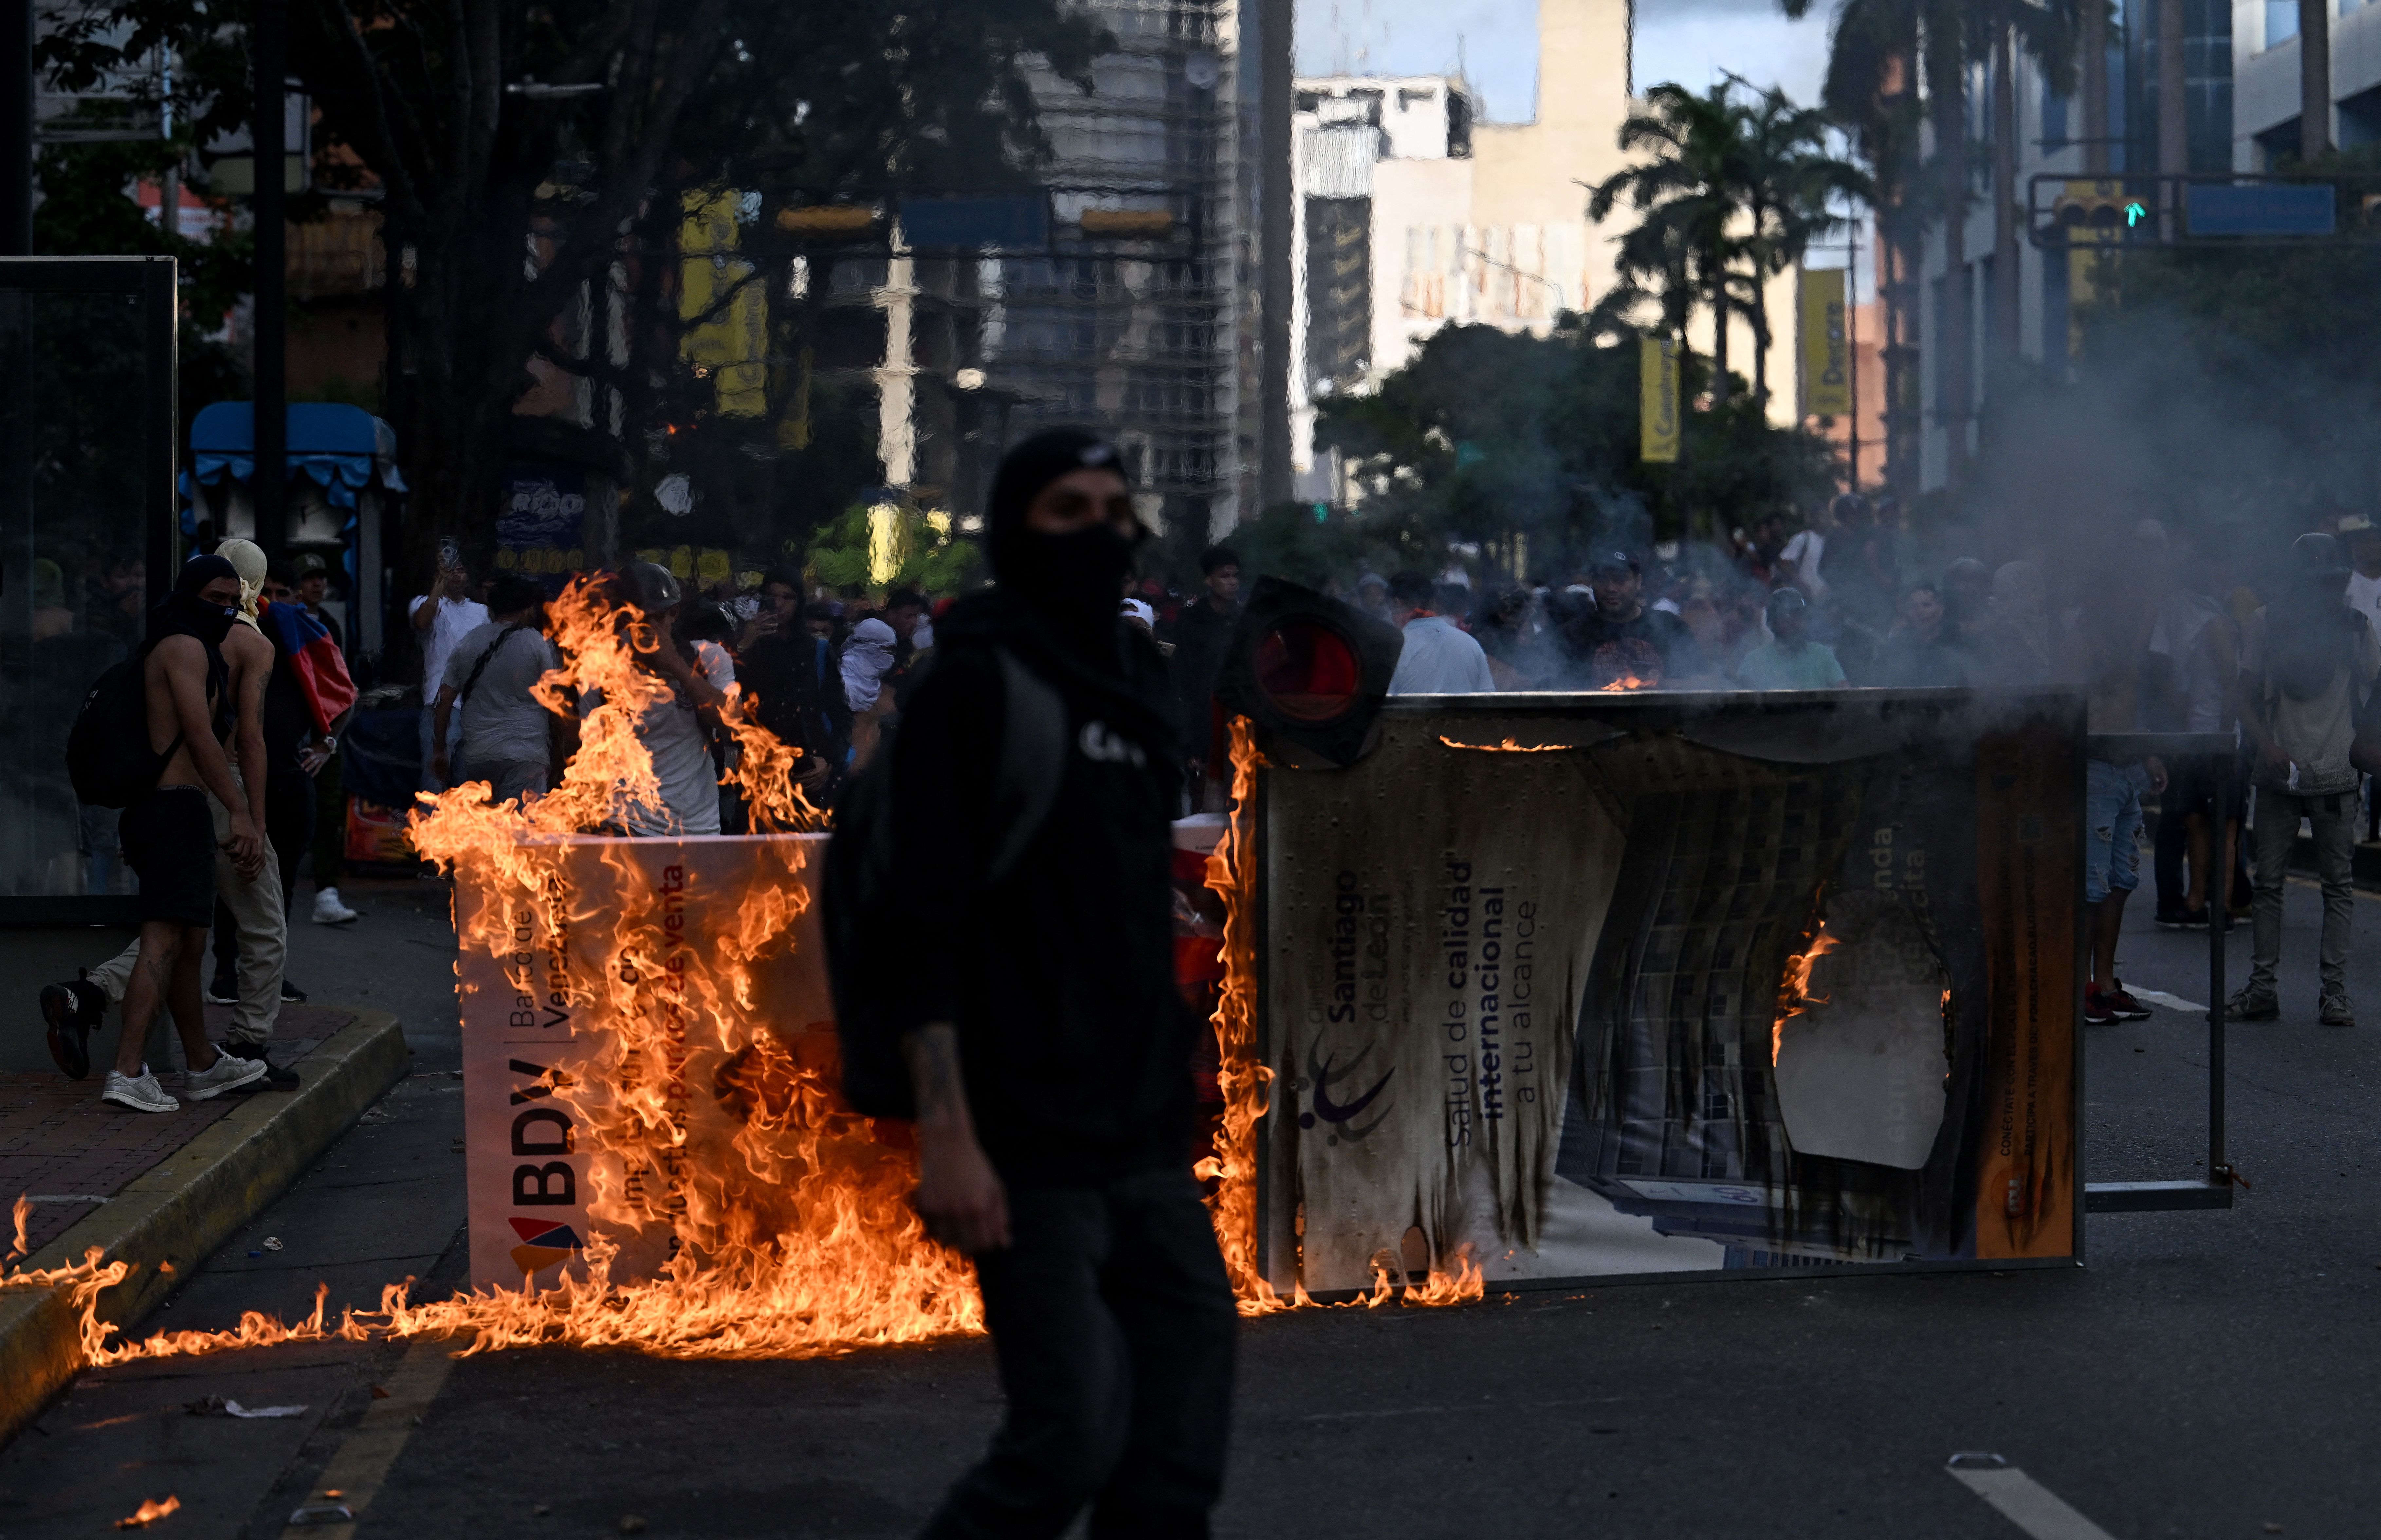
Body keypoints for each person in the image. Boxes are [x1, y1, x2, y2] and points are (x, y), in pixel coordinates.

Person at [871, 428, 1232, 1538]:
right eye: (1067, 510)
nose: (1099, 532)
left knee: (1175, 1450)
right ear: (1015, 530)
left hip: (1144, 1132)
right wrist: (946, 1132)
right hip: (1025, 1139)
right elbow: (912, 922)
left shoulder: (1136, 682)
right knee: (1066, 1437)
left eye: (1114, 509)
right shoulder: (971, 684)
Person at [40, 555, 269, 1110]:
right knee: (165, 942)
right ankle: (127, 1071)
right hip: (171, 812)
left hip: (166, 812)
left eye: (231, 602)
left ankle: (201, 1064)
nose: (223, 610)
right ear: (189, 596)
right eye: (213, 599)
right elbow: (198, 734)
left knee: (189, 946)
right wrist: (240, 812)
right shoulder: (185, 649)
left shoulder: (178, 648)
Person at [2228, 532, 2379, 1026]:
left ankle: (2333, 994)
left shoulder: (2357, 629)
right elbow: (2243, 695)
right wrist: (2267, 746)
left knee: (2336, 885)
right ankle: (2262, 988)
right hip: (2277, 771)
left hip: (2336, 771)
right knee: (2269, 884)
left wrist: (2366, 746)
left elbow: (2376, 695)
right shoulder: (2265, 624)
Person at [210, 558, 341, 1011]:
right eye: (273, 593)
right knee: (236, 876)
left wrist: (328, 742)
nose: (275, 604)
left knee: (276, 882)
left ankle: (262, 980)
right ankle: (230, 974)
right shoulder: (220, 636)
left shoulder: (300, 633)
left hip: (283, 772)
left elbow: (340, 690)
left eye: (285, 594)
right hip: (237, 774)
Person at [2065, 592, 2164, 1025]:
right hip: (2097, 772)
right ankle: (2078, 989)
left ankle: (2103, 984)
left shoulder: (2129, 648)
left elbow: (2129, 711)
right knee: (2092, 886)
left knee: (2121, 879)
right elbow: (2083, 717)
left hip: (2124, 774)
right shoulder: (2084, 646)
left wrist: (2146, 755)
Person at [587, 562, 735, 836]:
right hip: (626, 825)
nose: (642, 631)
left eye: (653, 619)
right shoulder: (602, 667)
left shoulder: (709, 657)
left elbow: (732, 723)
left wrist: (677, 666)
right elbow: (588, 750)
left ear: (673, 614)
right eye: (631, 621)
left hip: (696, 827)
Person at [432, 572, 566, 805]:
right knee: (521, 833)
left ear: (492, 609)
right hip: (526, 756)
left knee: (490, 832)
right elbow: (556, 701)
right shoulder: (536, 642)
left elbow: (445, 699)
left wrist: (439, 749)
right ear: (527, 610)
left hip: (478, 756)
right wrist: (562, 750)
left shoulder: (469, 642)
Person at [736, 566, 848, 805]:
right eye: (772, 597)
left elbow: (839, 713)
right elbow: (729, 697)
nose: (779, 604)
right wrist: (746, 645)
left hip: (806, 771)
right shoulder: (749, 647)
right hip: (759, 769)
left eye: (788, 597)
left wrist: (828, 760)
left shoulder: (816, 651)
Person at [297, 556, 360, 924]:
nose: (317, 584)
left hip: (325, 732)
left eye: (321, 577)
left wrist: (330, 739)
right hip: (291, 732)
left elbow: (343, 687)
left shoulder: (331, 625)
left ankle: (327, 891)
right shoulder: (279, 625)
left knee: (328, 812)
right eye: (309, 578)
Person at [409, 551, 489, 794]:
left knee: (468, 790)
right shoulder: (425, 604)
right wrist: (438, 585)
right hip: (439, 706)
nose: (456, 573)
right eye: (450, 569)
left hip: (477, 710)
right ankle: (428, 831)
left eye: (460, 569)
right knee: (434, 784)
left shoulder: (482, 612)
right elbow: (422, 622)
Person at [1557, 549, 1692, 688]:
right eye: (1603, 579)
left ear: (1638, 582)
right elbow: (1550, 686)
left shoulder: (1670, 628)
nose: (1611, 588)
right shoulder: (1571, 635)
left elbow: (1705, 680)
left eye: (1620, 580)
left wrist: (1661, 685)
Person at [1165, 545, 1242, 777]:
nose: (1232, 582)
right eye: (1224, 576)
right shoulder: (1191, 622)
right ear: (1209, 581)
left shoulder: (1244, 620)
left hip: (1240, 729)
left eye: (1235, 576)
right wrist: (1189, 745)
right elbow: (1183, 683)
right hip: (1204, 729)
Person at [1384, 571, 1495, 694]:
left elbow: (1384, 704)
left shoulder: (1393, 649)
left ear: (1397, 603)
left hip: (1410, 714)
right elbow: (1488, 698)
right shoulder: (1471, 644)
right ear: (1434, 602)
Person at [1735, 588, 1846, 690]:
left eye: (1797, 615)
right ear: (1771, 623)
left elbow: (1845, 694)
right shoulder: (1754, 662)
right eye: (1784, 617)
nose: (1793, 622)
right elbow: (1742, 702)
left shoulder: (1822, 654)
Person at [1869, 583, 1972, 688]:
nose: (1920, 612)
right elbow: (1874, 685)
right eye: (1913, 607)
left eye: (1927, 605)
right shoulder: (1894, 650)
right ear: (1905, 614)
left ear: (1940, 610)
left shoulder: (1958, 644)